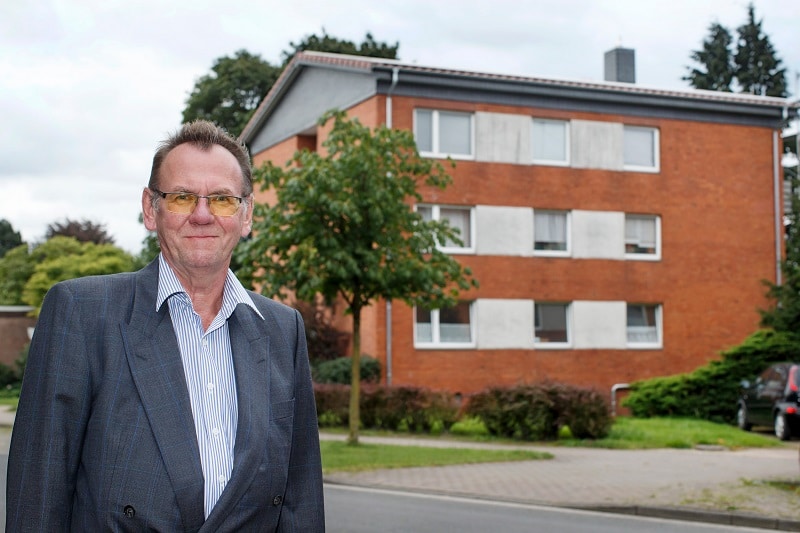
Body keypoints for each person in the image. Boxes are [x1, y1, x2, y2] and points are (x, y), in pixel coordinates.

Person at [6, 120, 325, 532]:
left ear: (246, 215)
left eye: (224, 200)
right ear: (150, 209)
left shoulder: (283, 330)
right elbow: (38, 493)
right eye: (181, 197)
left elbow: (299, 500)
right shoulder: (81, 314)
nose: (203, 215)